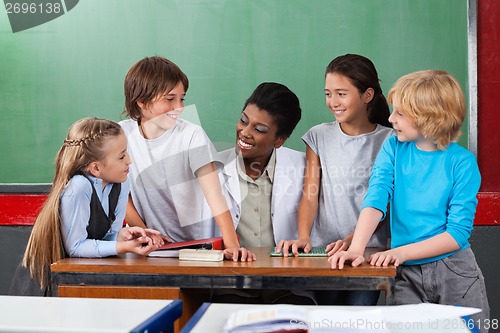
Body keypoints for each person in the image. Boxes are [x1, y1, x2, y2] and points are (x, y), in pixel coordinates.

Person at [329, 70, 490, 328]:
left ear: (430, 117)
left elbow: (457, 233)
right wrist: (356, 248)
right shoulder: (393, 148)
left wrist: (400, 253)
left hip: (454, 271)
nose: (391, 118)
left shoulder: (462, 163)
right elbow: (377, 197)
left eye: (400, 113)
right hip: (406, 273)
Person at [277, 54, 394, 305]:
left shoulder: (390, 140)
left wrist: (353, 241)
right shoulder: (318, 136)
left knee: (357, 321)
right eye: (328, 93)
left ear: (367, 95)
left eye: (341, 93)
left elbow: (382, 203)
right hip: (324, 252)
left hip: (367, 252)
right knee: (325, 320)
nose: (333, 102)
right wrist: (304, 237)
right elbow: (310, 195)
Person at [120, 56, 255, 261]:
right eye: (170, 99)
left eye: (182, 98)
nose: (180, 107)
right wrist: (146, 232)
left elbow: (214, 193)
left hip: (202, 244)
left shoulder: (191, 134)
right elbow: (122, 194)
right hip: (158, 246)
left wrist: (232, 245)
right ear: (142, 101)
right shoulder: (121, 135)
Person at [10, 117, 163, 296]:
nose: (129, 160)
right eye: (122, 156)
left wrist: (124, 237)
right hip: (46, 283)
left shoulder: (121, 184)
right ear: (95, 168)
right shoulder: (79, 187)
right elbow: (75, 247)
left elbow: (106, 237)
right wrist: (123, 247)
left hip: (78, 278)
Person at [212, 82, 314, 304]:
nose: (245, 133)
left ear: (279, 140)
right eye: (243, 121)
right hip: (231, 286)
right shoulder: (214, 168)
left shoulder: (303, 168)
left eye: (259, 130)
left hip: (287, 286)